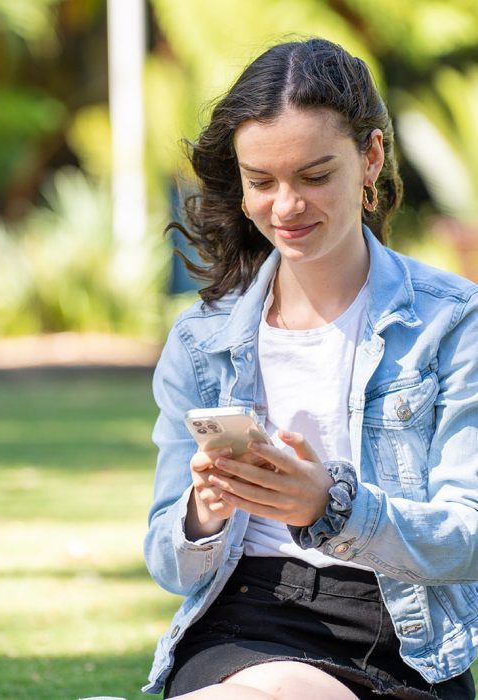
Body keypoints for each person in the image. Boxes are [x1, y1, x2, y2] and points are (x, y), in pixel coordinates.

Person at [143, 37, 478, 700]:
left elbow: (468, 536)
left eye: (314, 176)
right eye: (261, 182)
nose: (286, 206)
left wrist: (333, 506)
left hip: (399, 637)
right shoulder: (201, 339)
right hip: (240, 620)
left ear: (370, 158)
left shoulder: (453, 322)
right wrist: (204, 511)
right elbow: (167, 559)